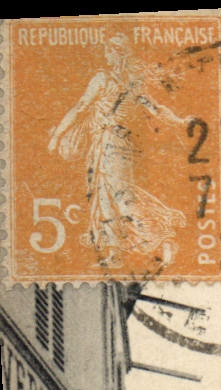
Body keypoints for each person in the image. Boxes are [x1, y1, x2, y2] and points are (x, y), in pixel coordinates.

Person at [48, 34, 187, 268]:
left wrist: (57, 135)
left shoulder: (102, 79)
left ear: (115, 54)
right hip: (122, 146)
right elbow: (156, 108)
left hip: (108, 142)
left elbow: (80, 107)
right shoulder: (133, 82)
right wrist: (180, 122)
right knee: (108, 196)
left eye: (109, 51)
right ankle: (115, 252)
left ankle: (159, 235)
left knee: (119, 197)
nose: (106, 55)